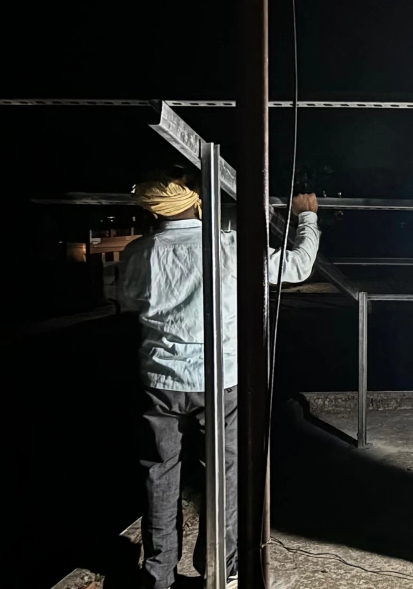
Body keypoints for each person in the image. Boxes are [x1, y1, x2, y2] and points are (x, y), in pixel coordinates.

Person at [120, 174, 320, 589]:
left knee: (159, 473)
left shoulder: (138, 252)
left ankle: (159, 573)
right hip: (219, 378)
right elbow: (297, 267)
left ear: (153, 213)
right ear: (197, 203)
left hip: (160, 379)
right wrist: (307, 219)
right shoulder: (227, 247)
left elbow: (131, 302)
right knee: (223, 473)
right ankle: (219, 566)